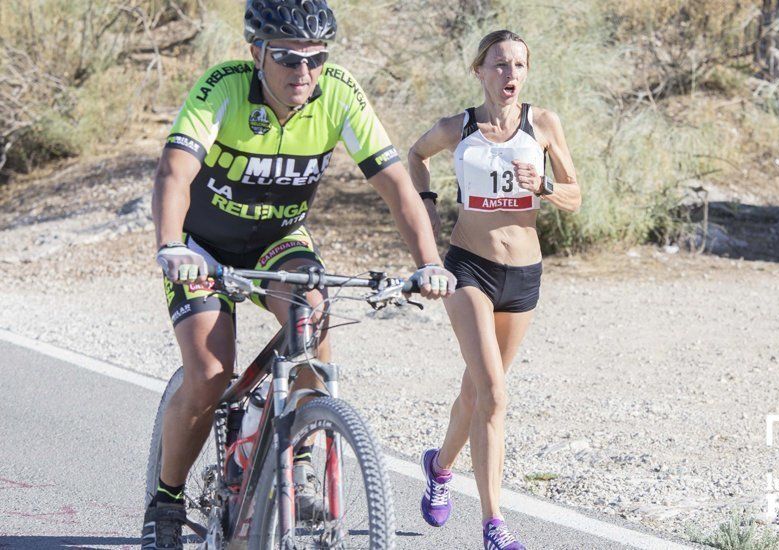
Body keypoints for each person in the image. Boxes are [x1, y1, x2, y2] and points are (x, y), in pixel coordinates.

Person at [143, 1, 455, 548]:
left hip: (278, 243)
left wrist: (428, 263)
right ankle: (166, 501)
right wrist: (171, 245)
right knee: (212, 376)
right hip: (205, 249)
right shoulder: (223, 87)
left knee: (312, 321)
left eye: (315, 59)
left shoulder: (337, 92)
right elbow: (175, 170)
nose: (303, 73)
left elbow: (398, 187)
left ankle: (304, 450)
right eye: (288, 59)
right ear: (257, 53)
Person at [407, 29, 581, 549]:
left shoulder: (543, 124)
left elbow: (575, 196)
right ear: (479, 71)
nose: (510, 75)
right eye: (499, 65)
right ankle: (493, 524)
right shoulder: (458, 127)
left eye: (518, 66)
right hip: (469, 269)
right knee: (496, 395)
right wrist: (428, 207)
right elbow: (415, 155)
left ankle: (439, 468)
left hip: (524, 277)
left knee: (476, 391)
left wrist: (544, 186)